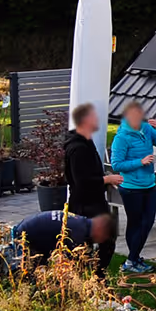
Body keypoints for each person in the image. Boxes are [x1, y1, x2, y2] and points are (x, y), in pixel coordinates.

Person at [109, 100, 156, 274]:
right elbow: (116, 165)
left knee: (148, 222)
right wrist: (140, 162)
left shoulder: (146, 129)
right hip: (131, 187)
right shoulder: (121, 138)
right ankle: (132, 260)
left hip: (149, 184)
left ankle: (134, 258)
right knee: (136, 223)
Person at [62, 102, 122, 276]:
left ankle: (94, 276)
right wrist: (106, 179)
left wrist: (105, 178)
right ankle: (95, 277)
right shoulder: (78, 148)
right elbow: (82, 181)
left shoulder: (86, 142)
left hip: (93, 201)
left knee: (100, 240)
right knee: (95, 241)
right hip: (85, 204)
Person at [0, 208, 116, 280]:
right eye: (104, 237)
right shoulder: (79, 232)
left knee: (41, 265)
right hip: (28, 234)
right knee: (27, 270)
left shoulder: (82, 222)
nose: (101, 241)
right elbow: (73, 261)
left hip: (30, 228)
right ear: (100, 230)